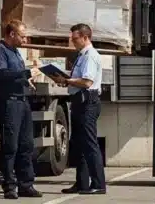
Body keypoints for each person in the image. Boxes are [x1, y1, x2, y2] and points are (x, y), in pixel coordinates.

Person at [49, 23, 106, 195]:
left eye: (75, 39)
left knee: (89, 143)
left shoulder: (90, 56)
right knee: (80, 144)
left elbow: (87, 82)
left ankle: (98, 184)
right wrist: (66, 80)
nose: (72, 42)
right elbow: (79, 79)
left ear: (85, 37)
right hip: (80, 102)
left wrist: (67, 81)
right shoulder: (82, 56)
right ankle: (82, 183)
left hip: (87, 102)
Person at [0, 20, 42, 199]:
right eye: (22, 36)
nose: (25, 39)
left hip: (22, 101)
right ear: (12, 34)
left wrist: (26, 81)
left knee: (26, 145)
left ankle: (26, 184)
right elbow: (2, 74)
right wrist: (26, 73)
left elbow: (15, 77)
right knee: (10, 145)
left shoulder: (15, 52)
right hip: (9, 102)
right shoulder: (0, 51)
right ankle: (9, 186)